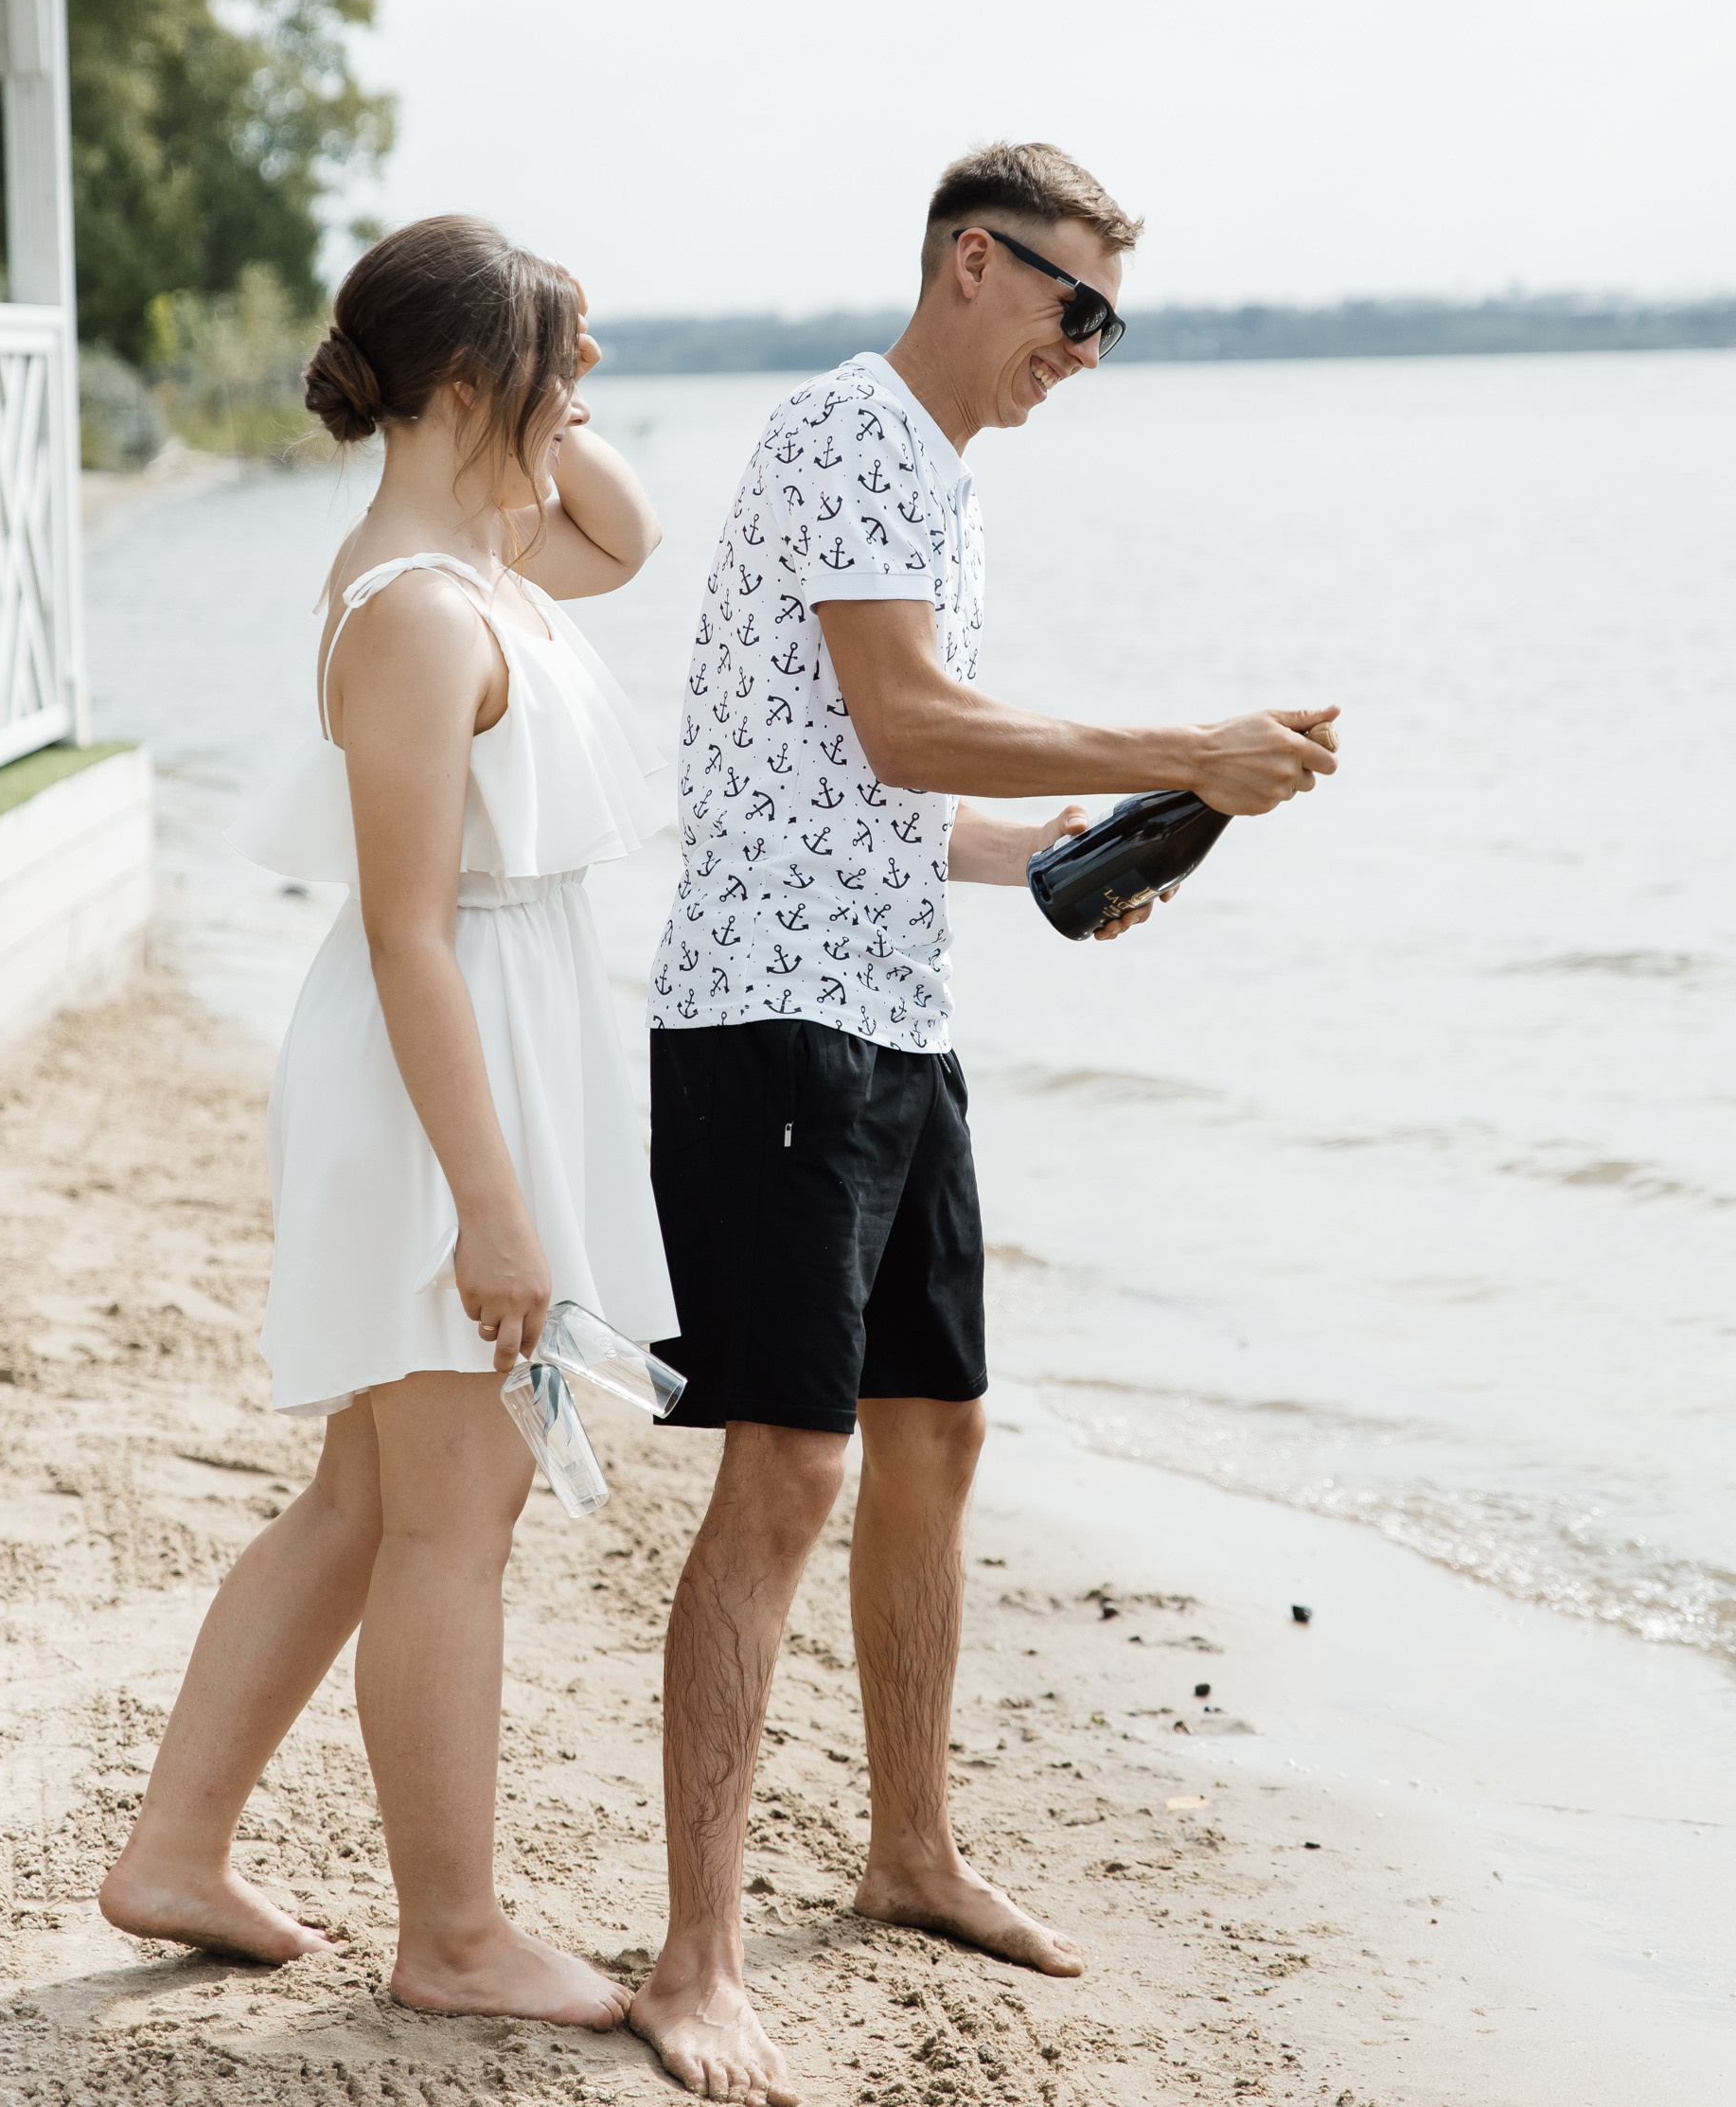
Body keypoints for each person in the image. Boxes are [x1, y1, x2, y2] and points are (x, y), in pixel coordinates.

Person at [629, 143, 1339, 2104]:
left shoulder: (929, 474)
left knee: (933, 1433)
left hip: (886, 1019)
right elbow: (904, 720)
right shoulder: (850, 435)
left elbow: (879, 788)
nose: (1084, 352)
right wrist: (1180, 742)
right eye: (1072, 307)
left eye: (1106, 322)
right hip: (771, 1033)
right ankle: (696, 1959)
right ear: (972, 262)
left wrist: (1064, 850)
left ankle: (908, 1851)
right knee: (783, 1475)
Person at [99, 215, 677, 2033]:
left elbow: (631, 537)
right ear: (455, 390)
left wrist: (542, 339)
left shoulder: (485, 550)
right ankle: (454, 1938)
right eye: (557, 374)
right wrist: (494, 1213)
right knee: (453, 1515)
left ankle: (175, 1851)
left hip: (493, 1034)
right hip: (447, 1059)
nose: (585, 402)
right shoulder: (422, 608)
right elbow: (413, 928)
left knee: (371, 1494)